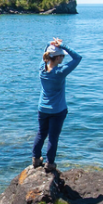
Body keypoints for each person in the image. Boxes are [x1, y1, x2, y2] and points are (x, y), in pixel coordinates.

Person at [31, 37, 82, 171]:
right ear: (58, 58)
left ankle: (36, 159)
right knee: (53, 137)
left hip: (42, 108)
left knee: (41, 133)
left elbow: (45, 52)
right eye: (62, 57)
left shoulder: (42, 68)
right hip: (57, 110)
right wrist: (63, 45)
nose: (63, 59)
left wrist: (51, 44)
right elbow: (78, 58)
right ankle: (50, 163)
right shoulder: (60, 72)